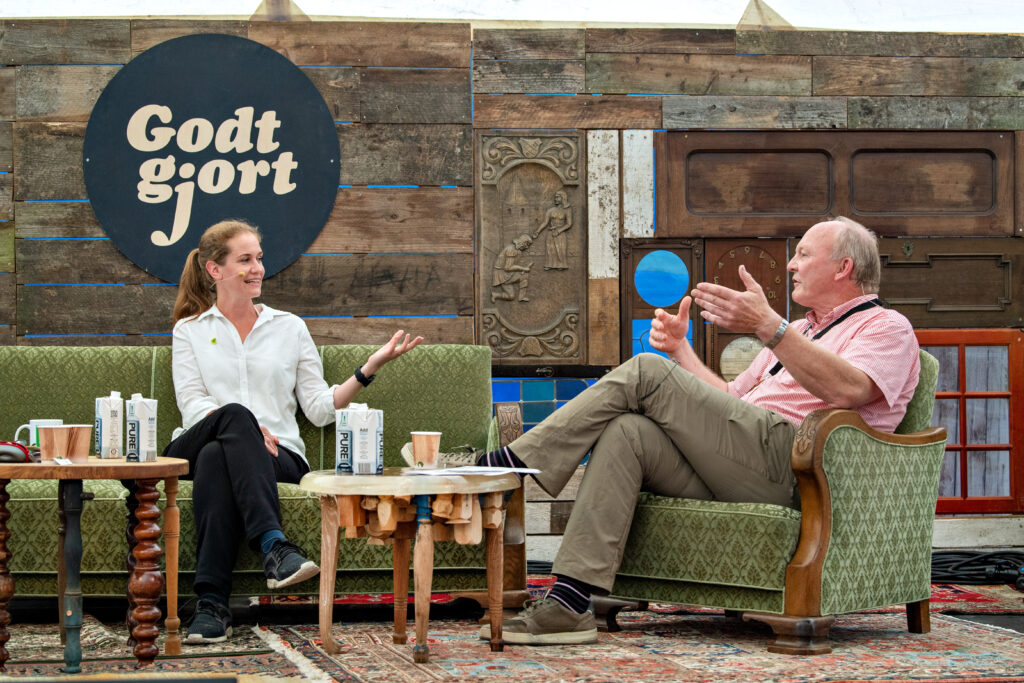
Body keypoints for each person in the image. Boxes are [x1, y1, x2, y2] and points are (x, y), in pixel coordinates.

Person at [474, 217, 921, 645]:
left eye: (803, 254)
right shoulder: (801, 331)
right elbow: (731, 399)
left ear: (844, 268)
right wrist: (680, 350)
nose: (791, 265)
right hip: (742, 460)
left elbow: (850, 389)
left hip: (797, 467)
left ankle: (508, 467)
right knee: (628, 431)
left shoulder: (886, 327)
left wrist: (769, 326)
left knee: (646, 371)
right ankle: (569, 603)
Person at [163, 219, 423, 645]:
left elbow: (320, 410)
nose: (257, 268)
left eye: (259, 258)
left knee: (217, 458)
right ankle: (274, 546)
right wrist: (244, 426)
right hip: (198, 440)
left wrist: (368, 368)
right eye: (245, 259)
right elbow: (193, 405)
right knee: (228, 423)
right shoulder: (190, 330)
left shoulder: (289, 327)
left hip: (276, 458)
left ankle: (211, 606)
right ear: (215, 270)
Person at [533, 190, 573, 270]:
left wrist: (559, 231)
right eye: (555, 197)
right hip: (551, 233)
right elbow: (545, 222)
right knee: (550, 250)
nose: (555, 199)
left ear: (563, 198)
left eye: (557, 197)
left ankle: (561, 265)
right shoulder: (550, 210)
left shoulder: (567, 210)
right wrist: (538, 231)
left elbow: (569, 224)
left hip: (560, 233)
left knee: (560, 250)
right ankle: (549, 264)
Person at [491, 233, 534, 303]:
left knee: (524, 275)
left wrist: (523, 269)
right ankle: (496, 295)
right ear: (522, 243)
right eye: (527, 245)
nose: (527, 247)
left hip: (508, 273)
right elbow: (508, 268)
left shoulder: (517, 250)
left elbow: (513, 263)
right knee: (511, 296)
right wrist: (523, 268)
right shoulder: (511, 250)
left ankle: (521, 297)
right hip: (502, 275)